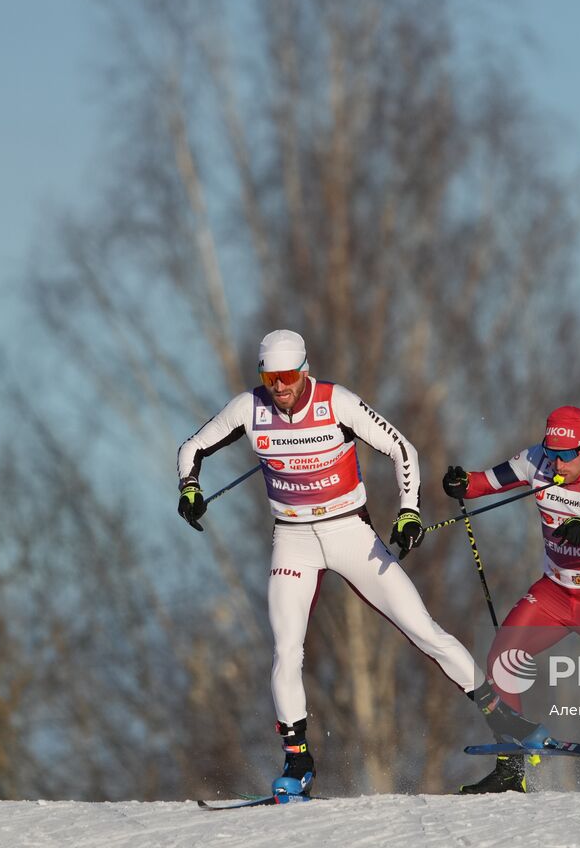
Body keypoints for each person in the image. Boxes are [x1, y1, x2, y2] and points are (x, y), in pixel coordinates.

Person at [176, 329, 545, 799]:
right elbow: (191, 446)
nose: (279, 386)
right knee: (286, 650)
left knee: (423, 629)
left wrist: (409, 509)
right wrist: (189, 487)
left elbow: (402, 449)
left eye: (288, 376)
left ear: (304, 372)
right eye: (270, 377)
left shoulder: (338, 404)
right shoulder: (248, 408)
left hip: (350, 533)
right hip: (293, 540)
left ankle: (508, 723)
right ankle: (298, 762)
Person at [443, 404, 580, 795]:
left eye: (566, 456)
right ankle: (511, 771)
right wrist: (461, 482)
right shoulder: (537, 460)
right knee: (501, 661)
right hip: (554, 593)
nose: (557, 463)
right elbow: (484, 483)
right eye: (552, 453)